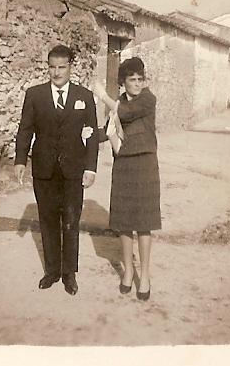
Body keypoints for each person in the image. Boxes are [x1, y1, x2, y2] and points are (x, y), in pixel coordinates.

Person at [14, 45, 99, 296]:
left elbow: (92, 135)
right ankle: (52, 271)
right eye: (52, 67)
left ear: (70, 67)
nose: (57, 72)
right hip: (44, 169)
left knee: (71, 220)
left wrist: (90, 168)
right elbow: (25, 129)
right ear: (47, 67)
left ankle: (69, 273)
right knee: (48, 219)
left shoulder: (84, 96)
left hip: (73, 170)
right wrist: (20, 160)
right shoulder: (35, 95)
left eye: (62, 67)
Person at [94, 57, 161, 301]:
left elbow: (125, 113)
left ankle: (145, 276)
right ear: (123, 82)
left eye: (140, 79)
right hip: (123, 165)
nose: (137, 84)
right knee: (123, 222)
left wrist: (102, 96)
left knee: (144, 222)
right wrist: (86, 133)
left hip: (144, 165)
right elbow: (108, 130)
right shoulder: (120, 102)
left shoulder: (148, 99)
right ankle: (128, 271)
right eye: (132, 80)